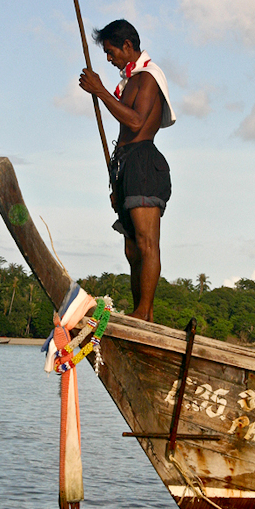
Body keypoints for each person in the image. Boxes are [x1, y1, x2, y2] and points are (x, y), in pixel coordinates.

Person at [79, 19, 175, 322]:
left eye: (111, 52)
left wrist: (100, 91)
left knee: (147, 243)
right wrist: (116, 185)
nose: (109, 59)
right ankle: (139, 311)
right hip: (127, 167)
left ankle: (144, 313)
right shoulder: (129, 81)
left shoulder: (147, 77)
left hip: (145, 163)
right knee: (132, 248)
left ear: (128, 46)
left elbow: (135, 122)